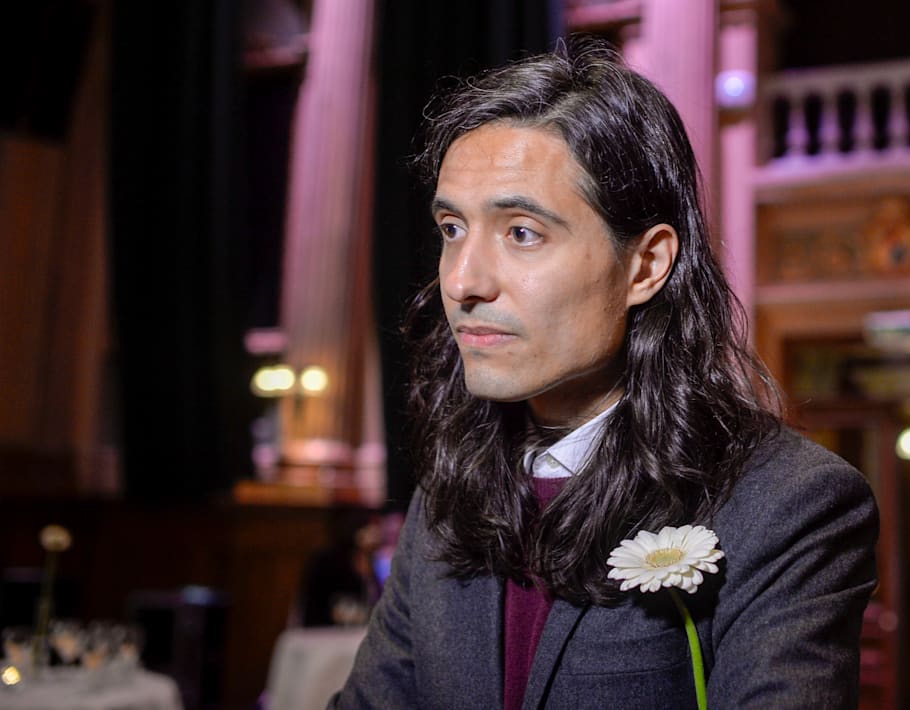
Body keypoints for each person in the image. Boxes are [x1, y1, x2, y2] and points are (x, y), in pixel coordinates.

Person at [334, 38, 879, 709]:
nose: (462, 281)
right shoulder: (446, 500)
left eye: (522, 232)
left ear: (645, 266)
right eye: (452, 229)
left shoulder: (788, 503)